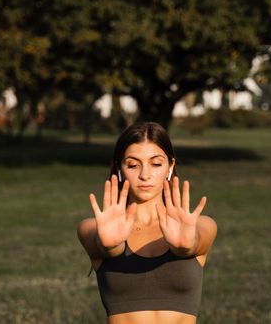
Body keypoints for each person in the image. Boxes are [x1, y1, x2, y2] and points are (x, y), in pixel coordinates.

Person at [77, 122, 217, 324]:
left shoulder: (201, 225)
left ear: (170, 166)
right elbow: (106, 246)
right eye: (133, 165)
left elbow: (193, 243)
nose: (144, 175)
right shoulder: (92, 228)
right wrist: (111, 244)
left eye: (156, 164)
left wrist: (187, 246)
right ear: (119, 168)